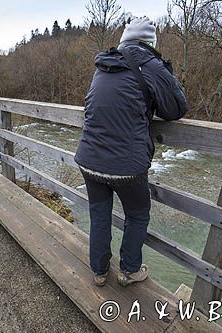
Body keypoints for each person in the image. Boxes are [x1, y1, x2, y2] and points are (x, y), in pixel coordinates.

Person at [74, 17, 188, 287]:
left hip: (89, 159)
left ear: (123, 39)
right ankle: (129, 271)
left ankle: (99, 272)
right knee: (137, 214)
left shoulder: (103, 65)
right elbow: (176, 109)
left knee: (99, 214)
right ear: (151, 42)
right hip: (126, 164)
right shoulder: (151, 65)